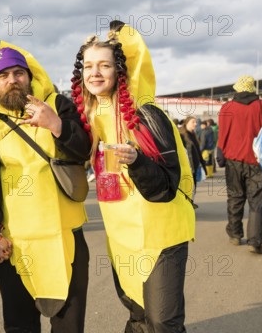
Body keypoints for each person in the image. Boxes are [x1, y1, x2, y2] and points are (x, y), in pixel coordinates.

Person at [73, 21, 195, 332]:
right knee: (138, 313)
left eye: (104, 65)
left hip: (161, 233)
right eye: (88, 66)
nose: (95, 73)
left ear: (120, 71)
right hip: (121, 235)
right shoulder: (95, 114)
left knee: (163, 321)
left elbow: (167, 185)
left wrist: (136, 160)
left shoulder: (146, 114)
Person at [0, 43, 91, 332]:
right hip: (16, 244)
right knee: (20, 326)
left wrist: (56, 125)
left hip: (66, 235)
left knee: (69, 325)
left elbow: (83, 151)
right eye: (3, 76)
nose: (12, 80)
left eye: (18, 73)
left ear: (29, 76)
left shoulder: (58, 104)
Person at [217, 75, 262, 254]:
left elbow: (223, 134)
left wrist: (220, 153)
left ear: (237, 89)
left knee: (235, 197)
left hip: (233, 160)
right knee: (257, 201)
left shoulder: (227, 107)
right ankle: (255, 241)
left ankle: (235, 235)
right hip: (258, 160)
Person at [179, 116, 205, 202]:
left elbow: (198, 151)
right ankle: (187, 208)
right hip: (187, 167)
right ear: (187, 123)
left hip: (194, 167)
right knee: (187, 190)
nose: (195, 124)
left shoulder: (193, 134)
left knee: (193, 189)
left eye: (196, 122)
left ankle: (190, 205)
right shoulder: (181, 135)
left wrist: (203, 164)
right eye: (193, 122)